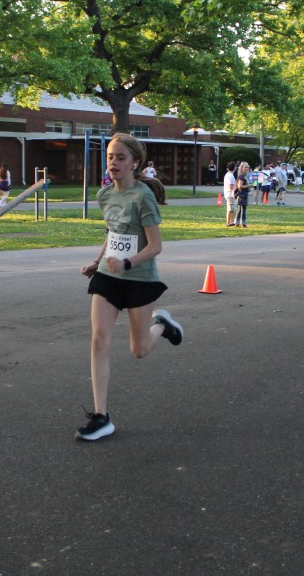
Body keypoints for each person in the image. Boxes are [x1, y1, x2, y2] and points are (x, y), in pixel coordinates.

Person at [76, 133, 183, 441]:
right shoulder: (105, 195)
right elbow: (113, 233)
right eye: (110, 156)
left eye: (120, 157)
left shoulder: (142, 197)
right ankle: (101, 417)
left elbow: (155, 245)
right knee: (99, 341)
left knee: (139, 350)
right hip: (108, 277)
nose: (113, 162)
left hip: (139, 278)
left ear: (135, 163)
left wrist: (127, 263)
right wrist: (98, 262)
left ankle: (162, 325)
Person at [234, 161, 251, 227]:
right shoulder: (242, 176)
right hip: (242, 194)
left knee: (240, 209)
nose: (247, 168)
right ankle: (243, 223)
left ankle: (237, 223)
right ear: (241, 168)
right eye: (245, 167)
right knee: (243, 209)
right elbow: (240, 186)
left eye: (247, 167)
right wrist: (249, 185)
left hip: (243, 194)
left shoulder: (244, 176)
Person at [222, 161, 237, 226]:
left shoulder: (228, 174)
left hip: (229, 194)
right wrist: (236, 188)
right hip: (230, 194)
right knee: (230, 209)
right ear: (234, 168)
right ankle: (228, 222)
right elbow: (231, 187)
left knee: (232, 209)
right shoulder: (230, 176)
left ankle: (231, 221)